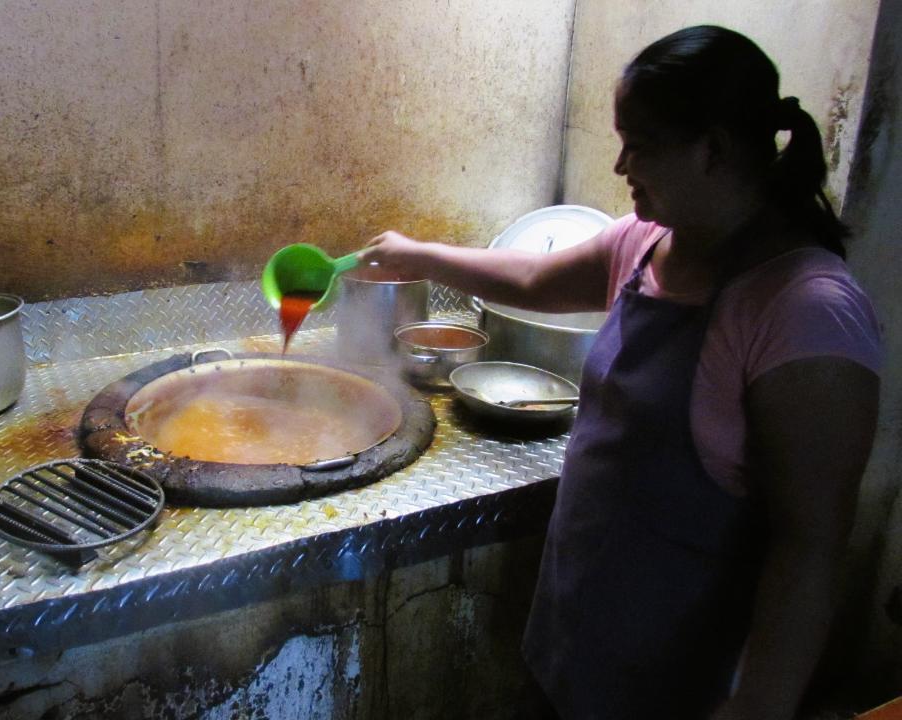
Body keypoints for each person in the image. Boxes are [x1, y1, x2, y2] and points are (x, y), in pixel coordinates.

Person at [362, 25, 882, 720]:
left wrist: (760, 705)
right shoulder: (647, 246)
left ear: (715, 150)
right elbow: (536, 277)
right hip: (575, 644)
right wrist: (420, 255)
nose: (620, 165)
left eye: (639, 143)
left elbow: (809, 548)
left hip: (685, 687)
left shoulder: (803, 312)